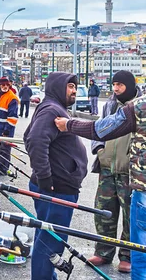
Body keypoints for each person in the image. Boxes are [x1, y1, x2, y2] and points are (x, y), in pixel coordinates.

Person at [54, 92, 146, 279]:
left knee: (141, 256)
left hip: (143, 190)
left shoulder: (140, 106)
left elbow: (102, 128)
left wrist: (68, 124)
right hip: (117, 174)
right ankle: (105, 252)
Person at [24, 72, 87, 280]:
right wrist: (45, 178)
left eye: (75, 87)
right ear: (58, 87)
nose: (74, 90)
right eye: (70, 86)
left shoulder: (54, 108)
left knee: (48, 238)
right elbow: (34, 140)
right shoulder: (52, 109)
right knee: (50, 242)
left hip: (59, 187)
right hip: (56, 189)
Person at [0, 76, 19, 176]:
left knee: (4, 149)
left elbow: (13, 117)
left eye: (7, 85)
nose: (5, 86)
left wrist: (7, 130)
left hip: (5, 129)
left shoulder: (12, 98)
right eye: (3, 85)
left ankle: (3, 169)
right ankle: (0, 167)